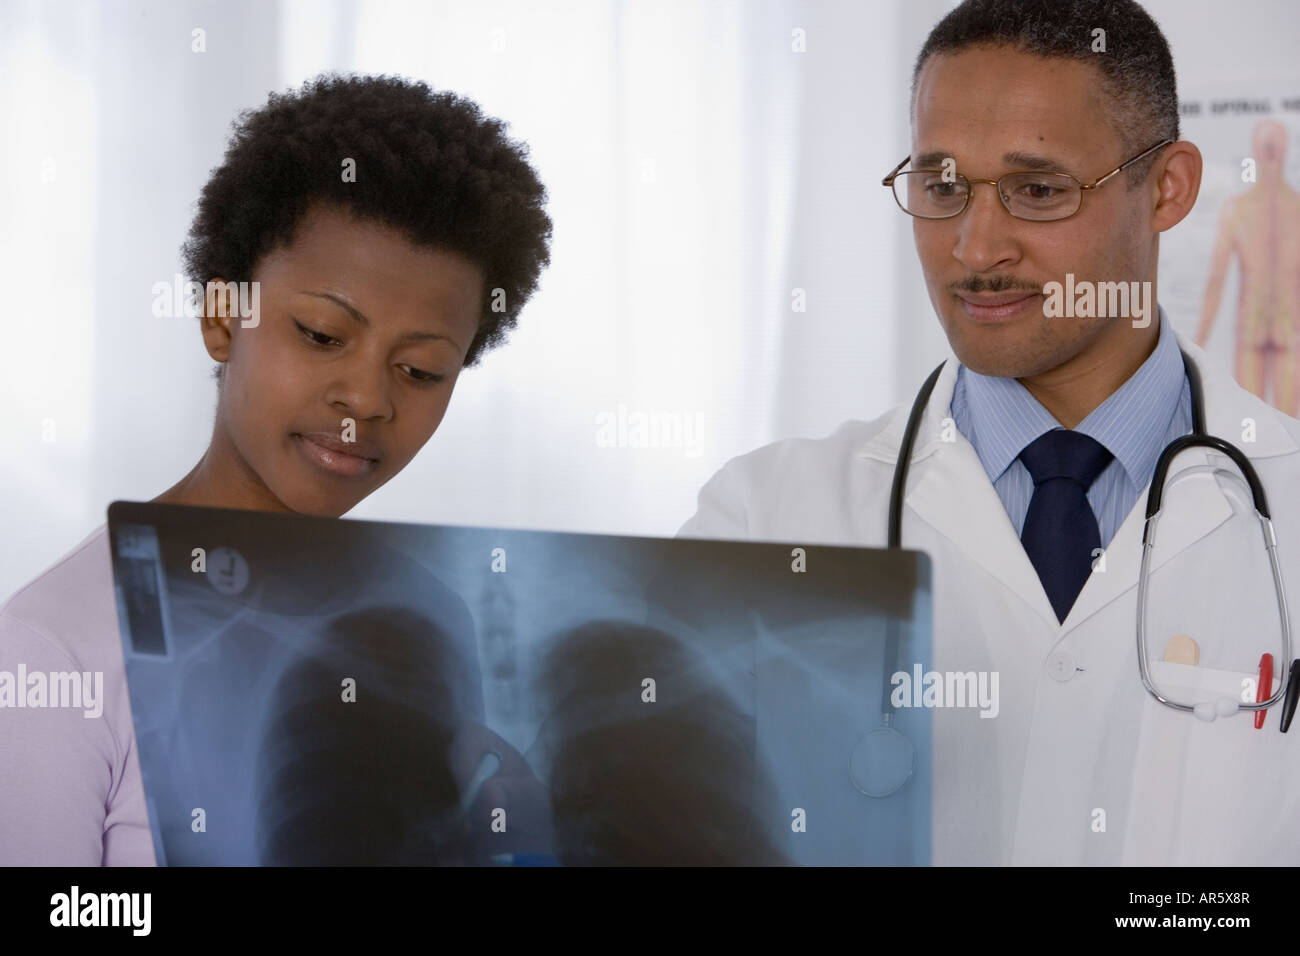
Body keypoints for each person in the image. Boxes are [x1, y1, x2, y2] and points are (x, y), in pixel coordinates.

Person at [680, 0, 1300, 865]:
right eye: (941, 186)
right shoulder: (765, 519)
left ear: (1167, 187)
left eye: (1037, 190)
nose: (973, 248)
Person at [0, 73, 552, 865]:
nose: (366, 398)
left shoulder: (429, 614)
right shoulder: (56, 646)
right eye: (323, 334)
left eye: (423, 371)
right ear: (224, 315)